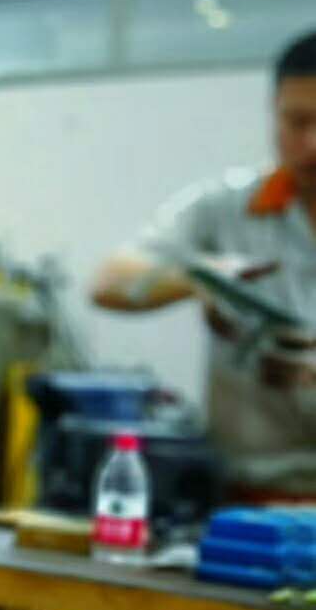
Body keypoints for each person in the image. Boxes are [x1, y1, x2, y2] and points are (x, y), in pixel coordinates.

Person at [92, 30, 316, 498]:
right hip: (245, 501)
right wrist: (198, 278)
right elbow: (109, 283)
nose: (311, 144)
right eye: (297, 121)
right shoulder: (225, 209)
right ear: (273, 113)